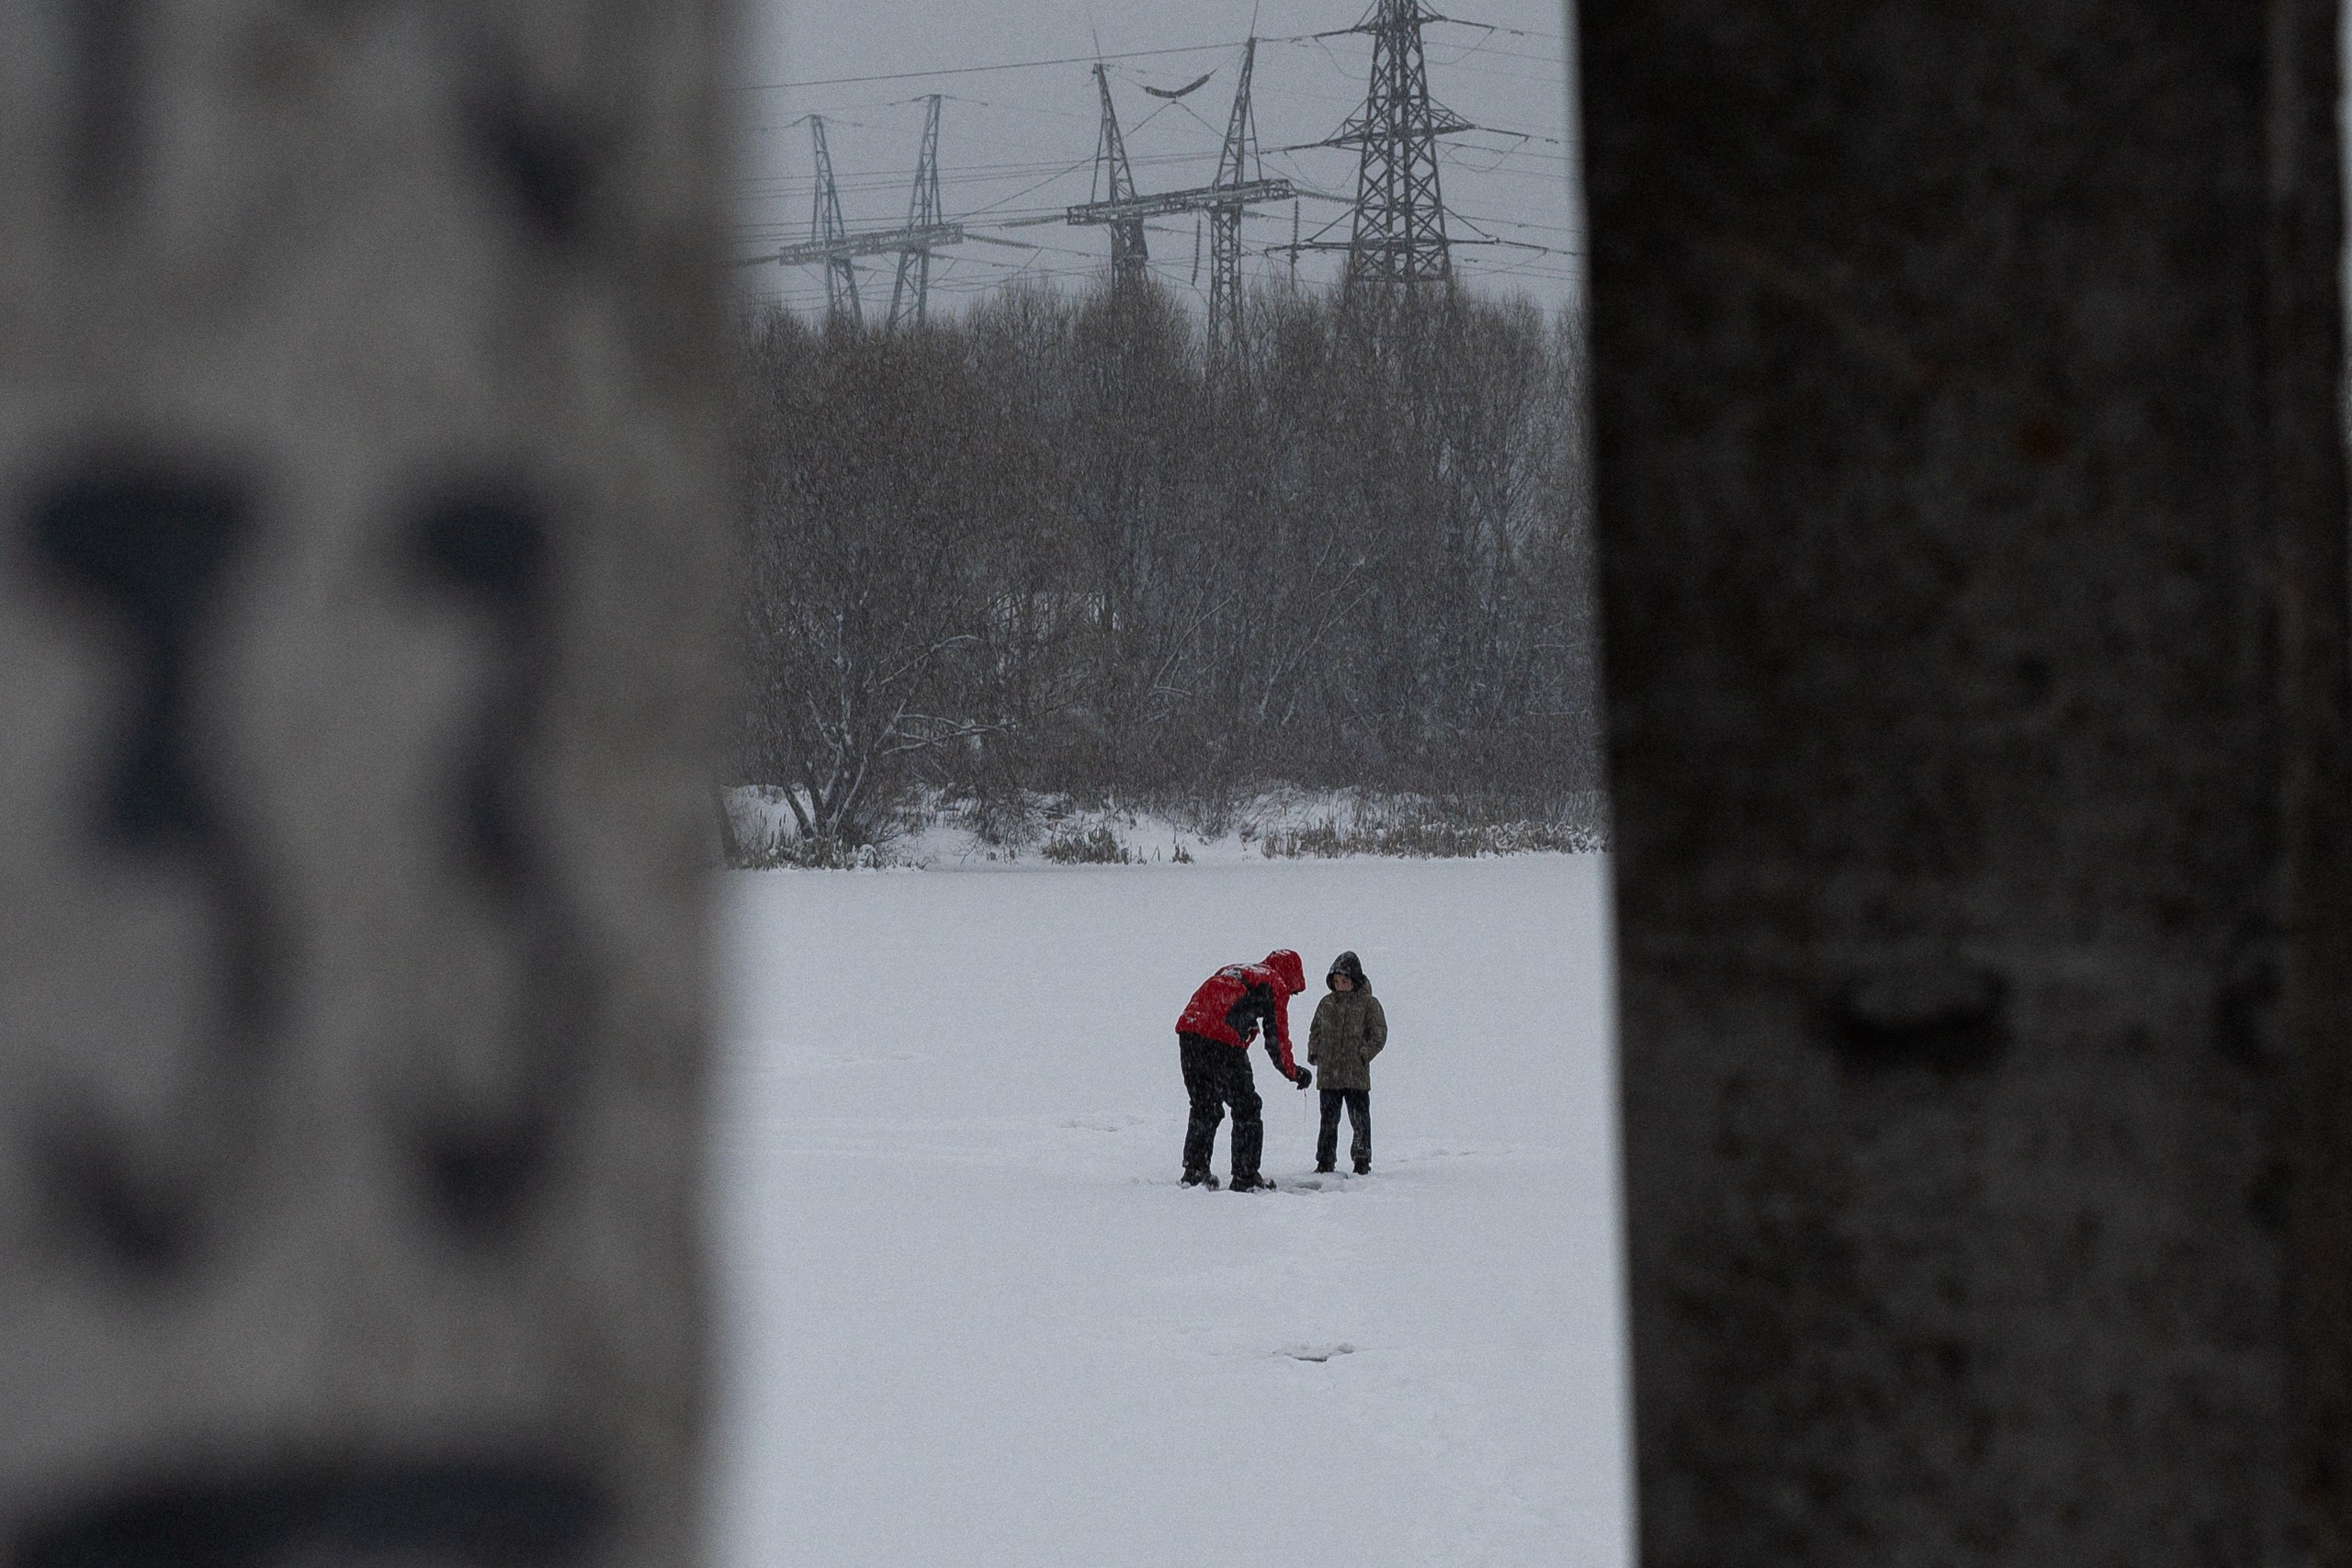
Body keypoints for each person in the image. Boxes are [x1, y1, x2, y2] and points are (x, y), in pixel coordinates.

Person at [1175, 949, 1311, 1191]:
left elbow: (1219, 1005)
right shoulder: (1274, 982)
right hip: (1222, 1042)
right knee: (1247, 1108)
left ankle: (1194, 1172)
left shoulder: (1235, 969)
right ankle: (1245, 1177)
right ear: (1290, 976)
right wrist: (1294, 1073)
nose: (1289, 994)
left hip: (1189, 1033)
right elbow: (1277, 1040)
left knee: (1204, 1106)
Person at [1307, 951, 1386, 1175]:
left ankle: (1362, 1159)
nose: (1340, 985)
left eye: (1345, 981)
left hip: (1356, 1075)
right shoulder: (1326, 1004)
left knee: (1360, 1120)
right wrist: (1315, 1052)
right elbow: (1315, 1031)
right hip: (1329, 1075)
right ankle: (1325, 1161)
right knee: (1328, 1122)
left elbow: (1379, 1034)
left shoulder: (1368, 1004)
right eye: (1337, 981)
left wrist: (1364, 1054)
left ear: (1355, 980)